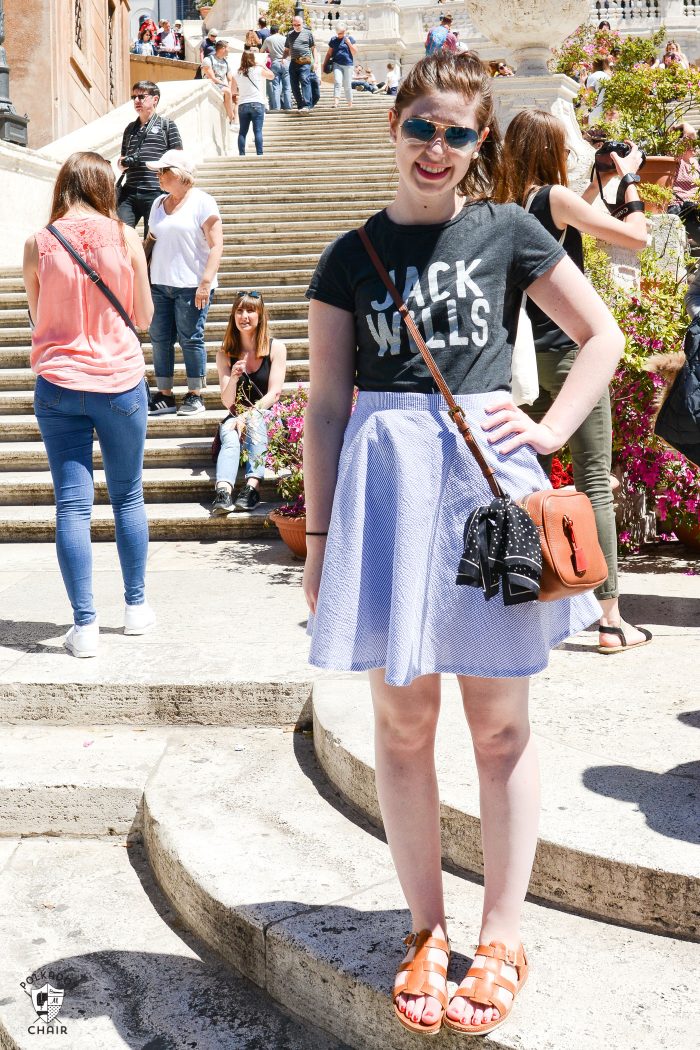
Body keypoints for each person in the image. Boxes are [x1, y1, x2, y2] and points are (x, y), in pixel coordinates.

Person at [303, 50, 624, 1037]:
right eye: (421, 127)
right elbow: (321, 408)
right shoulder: (349, 256)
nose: (435, 148)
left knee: (499, 728)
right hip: (391, 497)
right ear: (393, 126)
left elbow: (600, 336)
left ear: (478, 145)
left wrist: (552, 428)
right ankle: (425, 928)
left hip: (489, 495)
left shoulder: (508, 230)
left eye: (457, 134)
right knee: (401, 728)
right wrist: (318, 545)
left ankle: (500, 934)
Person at [497, 109, 651, 655]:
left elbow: (565, 218)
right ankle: (609, 620)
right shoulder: (553, 198)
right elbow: (636, 237)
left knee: (527, 484)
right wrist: (630, 179)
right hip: (567, 358)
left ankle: (526, 610)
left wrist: (596, 184)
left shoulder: (504, 205)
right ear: (550, 150)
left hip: (517, 366)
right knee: (592, 481)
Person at [23, 152, 155, 657]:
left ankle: (84, 626)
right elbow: (142, 315)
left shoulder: (39, 242)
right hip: (119, 380)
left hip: (58, 383)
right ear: (105, 187)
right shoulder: (125, 238)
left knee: (72, 506)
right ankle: (137, 607)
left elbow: (38, 316)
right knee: (128, 496)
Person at [145, 150, 223, 417]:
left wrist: (205, 282)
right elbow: (151, 241)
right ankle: (164, 394)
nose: (159, 176)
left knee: (191, 338)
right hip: (159, 283)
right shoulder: (157, 204)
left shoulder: (203, 202)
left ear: (180, 176)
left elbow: (216, 246)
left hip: (191, 285)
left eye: (163, 172)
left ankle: (195, 394)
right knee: (159, 339)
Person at [212, 292, 287, 514]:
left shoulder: (276, 348)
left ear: (260, 315)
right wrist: (234, 377)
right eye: (239, 311)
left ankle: (252, 487)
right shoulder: (225, 353)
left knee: (253, 420)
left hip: (266, 416)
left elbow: (274, 393)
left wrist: (248, 415)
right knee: (229, 432)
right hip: (236, 415)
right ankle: (223, 492)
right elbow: (227, 401)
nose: (244, 316)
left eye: (250, 310)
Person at [117, 82, 183, 239]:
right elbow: (122, 158)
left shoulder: (167, 126)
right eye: (134, 97)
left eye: (141, 96)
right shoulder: (129, 128)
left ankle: (147, 264)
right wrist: (122, 163)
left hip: (155, 191)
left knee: (152, 239)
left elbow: (178, 158)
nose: (136, 101)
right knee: (122, 234)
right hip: (130, 191)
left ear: (155, 99)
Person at [235, 51, 275, 156]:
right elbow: (272, 76)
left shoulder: (237, 73)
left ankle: (242, 155)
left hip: (243, 104)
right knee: (257, 131)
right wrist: (263, 66)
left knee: (242, 131)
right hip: (257, 103)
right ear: (253, 59)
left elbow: (234, 91)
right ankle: (259, 154)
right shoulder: (258, 70)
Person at [668, 123, 700, 246]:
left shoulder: (694, 163)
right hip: (680, 205)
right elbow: (688, 133)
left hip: (694, 205)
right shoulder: (675, 160)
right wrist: (681, 126)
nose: (695, 146)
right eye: (691, 143)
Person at [284, 14, 316, 112]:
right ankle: (300, 105)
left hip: (305, 61)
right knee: (293, 85)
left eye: (298, 25)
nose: (296, 27)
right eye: (294, 25)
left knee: (304, 79)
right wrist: (283, 58)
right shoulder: (289, 34)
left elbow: (313, 48)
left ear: (302, 24)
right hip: (293, 62)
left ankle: (307, 104)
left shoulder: (308, 33)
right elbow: (286, 49)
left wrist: (316, 62)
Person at [202, 39, 237, 125]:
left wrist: (228, 85)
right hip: (210, 84)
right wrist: (226, 86)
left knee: (234, 95)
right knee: (228, 91)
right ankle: (232, 118)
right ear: (223, 48)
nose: (229, 50)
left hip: (221, 85)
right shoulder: (208, 60)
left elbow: (230, 78)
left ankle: (232, 118)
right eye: (228, 48)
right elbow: (212, 78)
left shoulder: (226, 62)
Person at [323, 22, 358, 109]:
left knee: (347, 85)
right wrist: (325, 63)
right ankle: (336, 102)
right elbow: (329, 53)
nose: (339, 35)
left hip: (348, 65)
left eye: (341, 33)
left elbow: (354, 52)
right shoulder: (333, 40)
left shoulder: (350, 39)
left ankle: (350, 103)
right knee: (338, 82)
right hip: (337, 64)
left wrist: (349, 43)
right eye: (338, 33)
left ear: (345, 31)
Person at [262, 23, 292, 111]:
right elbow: (289, 51)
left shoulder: (268, 39)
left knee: (276, 86)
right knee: (287, 86)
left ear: (270, 32)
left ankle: (276, 107)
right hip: (285, 62)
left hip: (275, 63)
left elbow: (261, 51)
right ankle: (288, 106)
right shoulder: (285, 38)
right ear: (278, 31)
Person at [585, 57, 612, 124]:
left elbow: (592, 100)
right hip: (608, 114)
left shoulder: (592, 77)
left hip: (596, 113)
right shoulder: (609, 77)